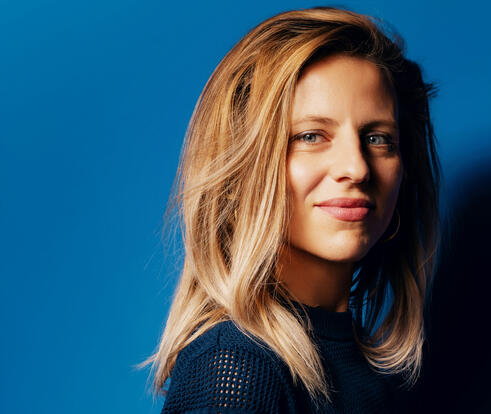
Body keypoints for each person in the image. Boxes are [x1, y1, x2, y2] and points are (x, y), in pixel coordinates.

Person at [140, 6, 441, 413]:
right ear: (243, 166)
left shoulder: (368, 372)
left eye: (378, 138)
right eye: (311, 136)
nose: (356, 168)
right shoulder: (236, 367)